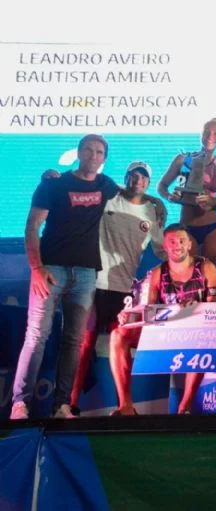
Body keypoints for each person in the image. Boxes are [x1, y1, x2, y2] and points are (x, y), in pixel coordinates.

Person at [10, 134, 120, 420]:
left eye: (99, 152)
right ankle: (20, 404)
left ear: (104, 159)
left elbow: (132, 198)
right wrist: (36, 269)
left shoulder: (106, 186)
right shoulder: (53, 185)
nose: (93, 156)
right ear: (78, 153)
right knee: (36, 337)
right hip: (50, 272)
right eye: (88, 150)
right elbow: (32, 227)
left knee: (73, 341)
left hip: (85, 275)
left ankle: (62, 405)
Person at [70, 161, 167, 415]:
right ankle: (69, 404)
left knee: (119, 343)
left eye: (144, 178)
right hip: (92, 283)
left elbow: (162, 251)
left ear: (148, 183)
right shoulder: (108, 198)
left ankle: (126, 406)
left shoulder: (151, 213)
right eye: (134, 176)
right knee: (83, 343)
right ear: (126, 178)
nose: (138, 180)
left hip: (123, 290)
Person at [109, 224, 216, 416]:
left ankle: (184, 408)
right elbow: (147, 310)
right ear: (165, 246)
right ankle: (126, 406)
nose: (177, 245)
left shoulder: (206, 267)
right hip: (165, 332)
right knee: (118, 334)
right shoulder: (158, 273)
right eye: (172, 242)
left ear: (190, 244)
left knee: (203, 339)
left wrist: (196, 308)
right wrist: (128, 316)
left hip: (197, 331)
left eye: (181, 241)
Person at [158, 118, 216, 269]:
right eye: (207, 132)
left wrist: (215, 201)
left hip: (212, 226)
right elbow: (162, 186)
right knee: (188, 274)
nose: (211, 136)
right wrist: (169, 197)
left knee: (211, 274)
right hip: (187, 226)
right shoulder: (182, 160)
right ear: (201, 135)